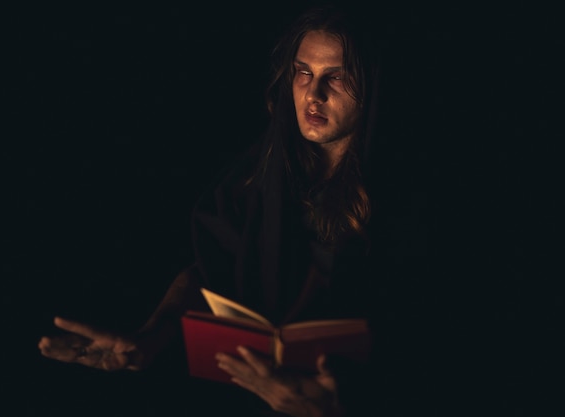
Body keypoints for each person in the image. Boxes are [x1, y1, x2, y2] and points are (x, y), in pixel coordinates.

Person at [39, 4, 388, 416]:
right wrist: (152, 335)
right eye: (303, 72)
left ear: (371, 86)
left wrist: (340, 407)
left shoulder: (400, 198)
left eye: (337, 77)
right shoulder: (262, 170)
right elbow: (211, 270)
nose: (313, 94)